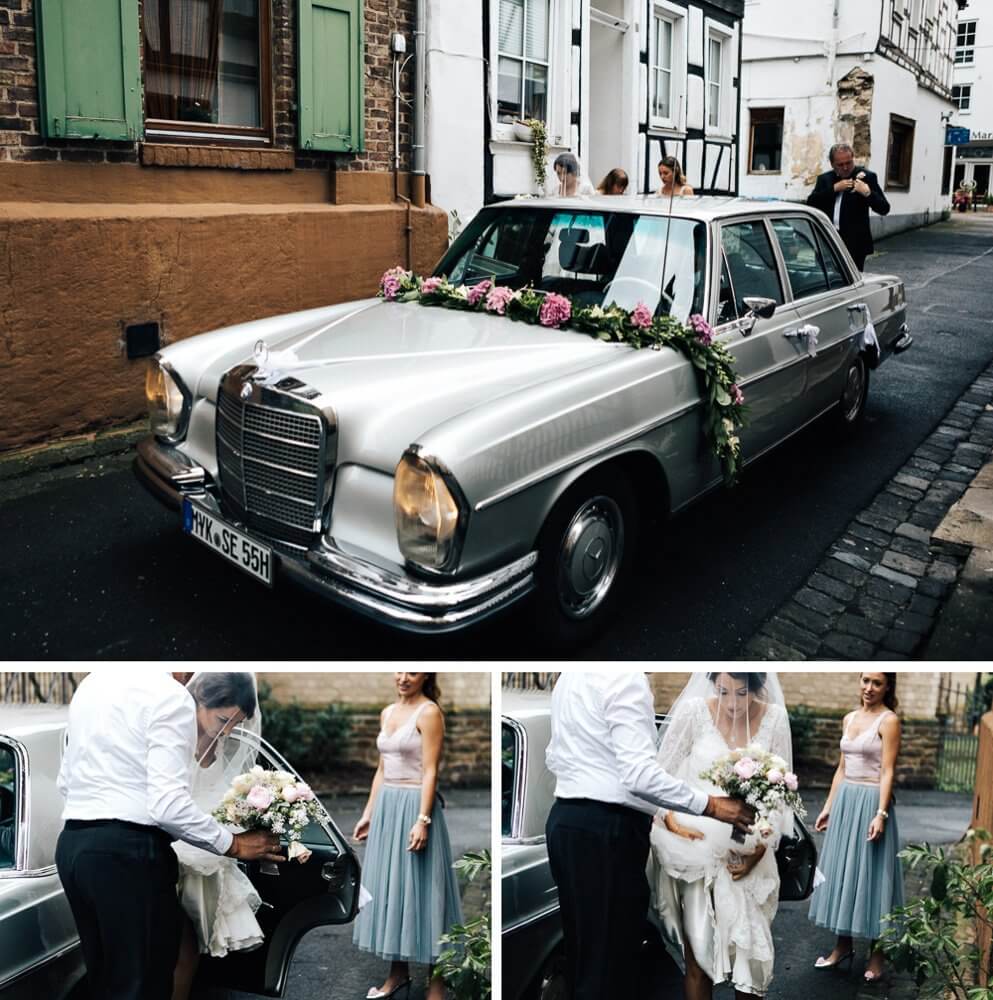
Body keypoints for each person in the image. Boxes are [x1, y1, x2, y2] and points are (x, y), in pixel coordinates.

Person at [55, 672, 283, 1000]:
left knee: (106, 981)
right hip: (128, 855)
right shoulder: (172, 697)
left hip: (74, 847)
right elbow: (168, 806)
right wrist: (233, 843)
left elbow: (65, 780)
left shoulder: (92, 683)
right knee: (142, 986)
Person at [544, 671, 756, 1000]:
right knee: (610, 965)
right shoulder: (626, 678)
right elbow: (639, 775)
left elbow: (555, 756)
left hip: (566, 822)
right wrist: (712, 805)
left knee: (585, 957)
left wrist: (658, 813)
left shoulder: (567, 677)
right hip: (607, 832)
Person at [649, 672, 794, 1000]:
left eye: (741, 694)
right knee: (698, 959)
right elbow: (659, 779)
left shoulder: (775, 718)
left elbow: (781, 796)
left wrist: (760, 848)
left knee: (751, 959)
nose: (731, 704)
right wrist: (670, 821)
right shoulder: (694, 712)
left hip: (748, 855)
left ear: (758, 688)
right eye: (723, 691)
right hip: (693, 853)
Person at [353, 673, 461, 1000]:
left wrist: (423, 820)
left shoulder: (429, 713)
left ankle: (437, 983)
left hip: (415, 806)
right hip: (388, 807)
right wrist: (369, 813)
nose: (403, 677)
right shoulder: (387, 712)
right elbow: (383, 768)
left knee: (428, 892)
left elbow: (431, 770)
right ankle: (397, 975)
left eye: (412, 671)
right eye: (399, 670)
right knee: (392, 891)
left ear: (426, 674)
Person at [171, 672, 267, 1000]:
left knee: (190, 954)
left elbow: (228, 796)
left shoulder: (226, 741)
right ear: (200, 701)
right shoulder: (172, 740)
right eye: (224, 719)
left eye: (235, 724)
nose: (226, 731)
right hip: (174, 859)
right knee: (171, 950)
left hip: (210, 858)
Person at [808, 672, 903, 984]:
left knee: (873, 874)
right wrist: (828, 807)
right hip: (846, 800)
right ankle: (843, 946)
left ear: (887, 686)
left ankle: (877, 953)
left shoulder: (889, 721)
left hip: (871, 801)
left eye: (877, 683)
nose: (869, 688)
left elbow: (888, 770)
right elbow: (841, 768)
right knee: (843, 873)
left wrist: (881, 813)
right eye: (865, 681)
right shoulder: (849, 718)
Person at [806, 143, 890, 271]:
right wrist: (834, 189)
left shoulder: (867, 177)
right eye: (840, 165)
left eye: (849, 163)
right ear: (832, 164)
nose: (845, 168)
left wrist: (868, 193)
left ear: (853, 159)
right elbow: (811, 203)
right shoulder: (825, 179)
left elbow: (884, 208)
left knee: (852, 285)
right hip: (827, 240)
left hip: (854, 244)